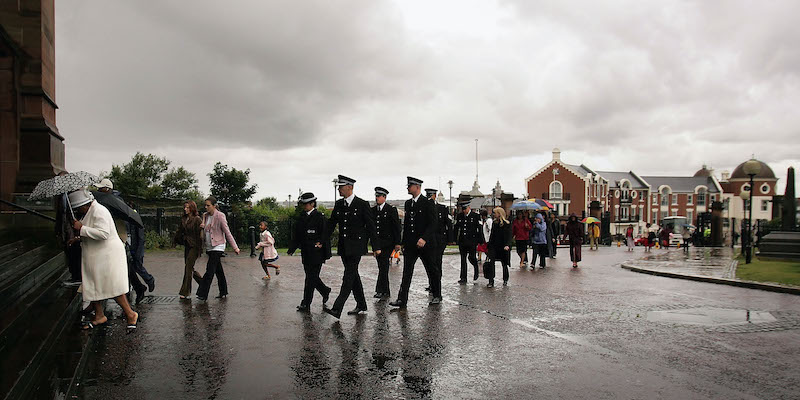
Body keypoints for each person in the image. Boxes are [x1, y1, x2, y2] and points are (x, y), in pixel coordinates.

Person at [67, 188, 139, 330]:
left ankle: (131, 314)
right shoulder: (91, 210)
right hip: (97, 255)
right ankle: (99, 315)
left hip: (107, 255)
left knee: (112, 287)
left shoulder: (99, 211)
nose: (79, 211)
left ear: (84, 205)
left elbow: (103, 233)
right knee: (94, 285)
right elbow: (93, 229)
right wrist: (78, 237)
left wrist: (81, 229)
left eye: (78, 208)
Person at [323, 175, 379, 319]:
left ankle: (337, 308)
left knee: (348, 276)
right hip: (344, 247)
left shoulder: (362, 204)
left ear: (350, 187)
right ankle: (361, 304)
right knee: (353, 276)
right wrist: (322, 240)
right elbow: (331, 224)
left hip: (356, 247)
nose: (339, 189)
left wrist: (376, 246)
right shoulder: (339, 204)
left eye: (341, 187)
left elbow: (371, 227)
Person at [96, 179, 156, 293]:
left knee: (130, 265)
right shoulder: (110, 200)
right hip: (121, 236)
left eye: (101, 188)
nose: (98, 190)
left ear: (107, 189)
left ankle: (141, 284)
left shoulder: (113, 201)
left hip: (120, 236)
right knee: (128, 265)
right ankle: (137, 287)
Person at [390, 177, 440, 308]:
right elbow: (407, 225)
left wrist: (424, 238)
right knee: (407, 272)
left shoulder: (428, 203)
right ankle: (402, 299)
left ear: (417, 187)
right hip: (411, 245)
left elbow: (433, 223)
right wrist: (402, 243)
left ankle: (437, 295)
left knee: (432, 270)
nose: (407, 188)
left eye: (410, 186)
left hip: (426, 244)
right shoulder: (408, 204)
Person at [288, 193, 332, 312]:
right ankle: (324, 290)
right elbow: (297, 235)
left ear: (312, 203)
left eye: (306, 204)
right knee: (312, 277)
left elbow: (325, 234)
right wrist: (292, 248)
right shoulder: (302, 217)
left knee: (310, 278)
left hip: (317, 253)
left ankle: (306, 303)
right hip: (306, 252)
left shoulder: (319, 217)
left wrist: (321, 244)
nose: (304, 206)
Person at [196, 196, 240, 301]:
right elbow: (204, 232)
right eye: (205, 205)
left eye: (208, 205)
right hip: (209, 246)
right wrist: (202, 224)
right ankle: (223, 291)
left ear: (214, 206)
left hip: (218, 245)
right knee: (218, 270)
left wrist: (235, 247)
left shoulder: (220, 216)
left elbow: (227, 232)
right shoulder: (205, 216)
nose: (206, 207)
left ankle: (202, 293)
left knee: (209, 270)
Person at [370, 187, 401, 299]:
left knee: (383, 266)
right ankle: (385, 291)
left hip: (388, 243)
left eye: (379, 196)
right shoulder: (373, 210)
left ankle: (381, 290)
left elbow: (396, 227)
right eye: (376, 196)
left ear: (384, 197)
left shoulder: (391, 210)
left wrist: (398, 242)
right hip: (377, 243)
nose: (377, 198)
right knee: (381, 266)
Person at [172, 200, 204, 299]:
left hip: (195, 246)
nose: (185, 209)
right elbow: (179, 231)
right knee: (189, 268)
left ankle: (185, 292)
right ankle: (203, 284)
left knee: (188, 268)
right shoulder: (184, 219)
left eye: (187, 207)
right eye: (185, 207)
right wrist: (175, 241)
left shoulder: (197, 219)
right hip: (187, 245)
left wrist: (200, 249)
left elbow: (200, 236)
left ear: (192, 208)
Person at [425, 188, 451, 293]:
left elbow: (448, 224)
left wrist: (450, 239)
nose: (429, 198)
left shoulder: (442, 208)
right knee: (430, 263)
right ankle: (431, 284)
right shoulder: (425, 208)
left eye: (430, 196)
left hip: (440, 240)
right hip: (429, 240)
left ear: (435, 196)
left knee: (437, 263)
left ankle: (436, 285)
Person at [454, 201, 483, 283]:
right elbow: (456, 228)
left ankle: (476, 268)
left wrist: (481, 240)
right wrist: (454, 239)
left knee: (471, 257)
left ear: (469, 208)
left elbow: (479, 228)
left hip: (472, 241)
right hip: (462, 241)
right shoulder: (459, 216)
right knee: (463, 259)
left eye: (465, 209)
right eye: (462, 209)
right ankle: (463, 277)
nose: (464, 211)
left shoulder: (475, 216)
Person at [485, 207, 512, 287]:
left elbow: (509, 236)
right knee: (491, 263)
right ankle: (491, 281)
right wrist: (489, 246)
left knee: (504, 264)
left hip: (503, 246)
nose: (494, 214)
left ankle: (505, 279)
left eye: (495, 213)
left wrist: (507, 245)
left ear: (499, 214)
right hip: (494, 246)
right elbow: (492, 236)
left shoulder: (507, 224)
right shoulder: (494, 223)